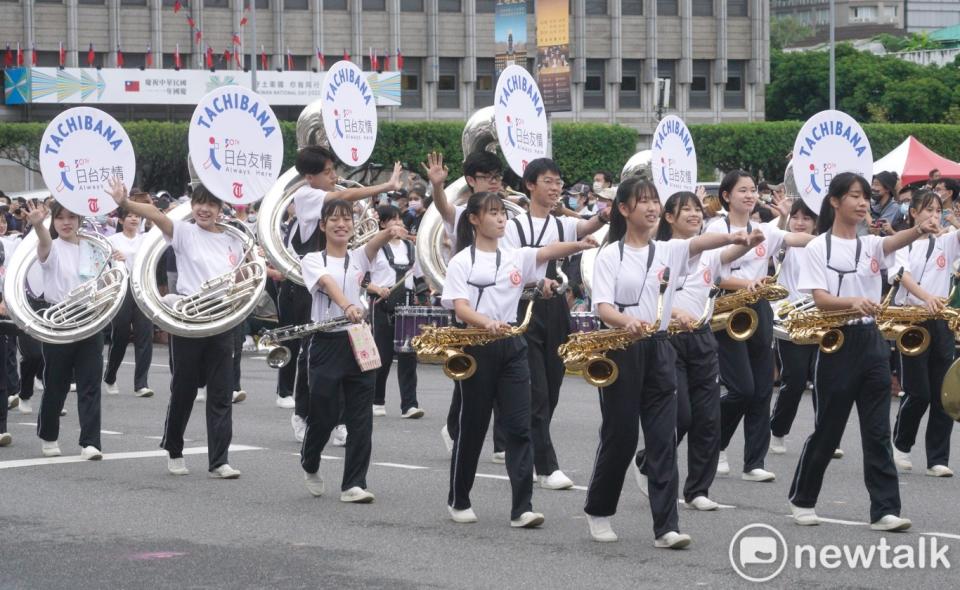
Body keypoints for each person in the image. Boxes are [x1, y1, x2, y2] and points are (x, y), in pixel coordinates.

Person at [584, 178, 760, 546]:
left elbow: (699, 243)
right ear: (623, 209)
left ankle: (666, 527)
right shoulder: (610, 255)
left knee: (664, 438)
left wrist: (733, 238)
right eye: (642, 202)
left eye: (654, 201)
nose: (650, 208)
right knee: (621, 435)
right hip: (621, 348)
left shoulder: (666, 250)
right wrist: (625, 320)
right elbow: (602, 307)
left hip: (661, 348)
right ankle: (599, 511)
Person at [787, 172, 939, 530]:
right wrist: (853, 302)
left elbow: (892, 245)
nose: (860, 202)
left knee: (876, 430)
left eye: (864, 196)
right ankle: (803, 499)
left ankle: (884, 509)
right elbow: (821, 300)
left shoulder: (870, 245)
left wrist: (920, 229)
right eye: (853, 196)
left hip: (871, 342)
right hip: (836, 342)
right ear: (835, 201)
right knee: (828, 428)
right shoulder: (816, 247)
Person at [442, 191, 596, 527]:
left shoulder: (515, 256)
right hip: (477, 344)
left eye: (502, 214)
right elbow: (461, 307)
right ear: (473, 219)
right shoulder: (461, 261)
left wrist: (579, 246)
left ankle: (522, 507)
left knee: (520, 426)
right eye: (493, 213)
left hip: (513, 345)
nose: (501, 219)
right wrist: (486, 322)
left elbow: (546, 251)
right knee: (473, 426)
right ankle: (459, 498)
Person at [633, 190, 764, 513]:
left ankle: (698, 490)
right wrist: (675, 313)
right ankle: (648, 460)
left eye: (697, 209)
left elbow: (727, 251)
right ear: (669, 218)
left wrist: (749, 238)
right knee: (682, 414)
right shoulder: (659, 252)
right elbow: (649, 294)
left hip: (703, 337)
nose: (694, 214)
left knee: (708, 416)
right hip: (668, 340)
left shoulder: (708, 252)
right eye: (685, 210)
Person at [107, 178, 245, 478]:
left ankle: (219, 460)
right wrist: (125, 203)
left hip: (221, 320)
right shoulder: (183, 232)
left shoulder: (235, 238)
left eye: (210, 204)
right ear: (191, 205)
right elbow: (156, 215)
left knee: (221, 392)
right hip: (188, 319)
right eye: (198, 203)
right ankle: (174, 447)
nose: (203, 209)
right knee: (184, 388)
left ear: (220, 208)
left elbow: (243, 275)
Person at [279, 146, 402, 442]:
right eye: (328, 172)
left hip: (342, 287)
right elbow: (343, 197)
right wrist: (387, 185)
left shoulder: (331, 204)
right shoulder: (306, 195)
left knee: (353, 354)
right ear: (310, 177)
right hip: (306, 286)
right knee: (312, 354)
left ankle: (342, 420)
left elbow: (353, 261)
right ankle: (303, 413)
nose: (335, 176)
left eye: (334, 169)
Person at [503, 158, 607, 490]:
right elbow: (507, 271)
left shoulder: (561, 222)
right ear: (530, 185)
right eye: (548, 181)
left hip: (555, 311)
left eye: (559, 182)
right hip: (523, 308)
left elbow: (587, 228)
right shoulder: (512, 226)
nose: (555, 187)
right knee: (536, 392)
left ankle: (532, 449)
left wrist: (606, 213)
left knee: (553, 384)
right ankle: (546, 466)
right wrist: (533, 284)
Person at [705, 170, 813, 483]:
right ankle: (718, 445)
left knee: (763, 389)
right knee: (740, 389)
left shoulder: (764, 229)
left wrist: (831, 241)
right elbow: (713, 274)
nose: (751, 195)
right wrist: (747, 282)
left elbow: (796, 238)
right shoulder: (716, 227)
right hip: (726, 308)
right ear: (726, 196)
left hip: (759, 307)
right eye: (743, 190)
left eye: (753, 190)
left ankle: (754, 462)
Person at [298, 198, 407, 502]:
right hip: (326, 341)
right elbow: (327, 283)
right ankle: (310, 458)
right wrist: (347, 304)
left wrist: (391, 231)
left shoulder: (358, 257)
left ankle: (354, 484)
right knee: (324, 412)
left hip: (360, 339)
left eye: (347, 219)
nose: (341, 224)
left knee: (361, 416)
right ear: (323, 225)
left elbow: (373, 245)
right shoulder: (312, 260)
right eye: (334, 219)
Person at [425, 150, 510, 461]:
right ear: (472, 181)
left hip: (501, 302)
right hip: (467, 303)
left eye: (498, 178)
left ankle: (501, 442)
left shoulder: (505, 214)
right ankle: (454, 427)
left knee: (505, 370)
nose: (495, 183)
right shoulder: (464, 214)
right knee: (471, 372)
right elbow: (443, 207)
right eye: (489, 178)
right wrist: (436, 185)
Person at [29, 199, 105, 460]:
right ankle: (49, 436)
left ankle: (90, 442)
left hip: (90, 317)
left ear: (79, 220)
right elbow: (44, 243)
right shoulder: (52, 247)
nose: (66, 222)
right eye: (60, 217)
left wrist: (115, 259)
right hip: (59, 318)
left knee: (90, 383)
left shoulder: (93, 248)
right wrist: (39, 225)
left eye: (71, 217)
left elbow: (106, 280)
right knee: (56, 383)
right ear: (55, 222)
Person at [891, 189, 959, 478]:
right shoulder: (900, 244)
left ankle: (937, 458)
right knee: (918, 391)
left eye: (937, 210)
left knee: (943, 393)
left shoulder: (945, 241)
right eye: (927, 210)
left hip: (941, 322)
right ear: (914, 212)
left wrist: (954, 220)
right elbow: (901, 275)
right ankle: (901, 445)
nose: (934, 215)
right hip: (912, 320)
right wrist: (926, 296)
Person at [769, 199, 833, 455]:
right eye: (795, 217)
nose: (799, 222)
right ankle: (778, 431)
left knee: (825, 381)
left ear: (816, 222)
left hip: (821, 319)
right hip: (789, 320)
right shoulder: (783, 244)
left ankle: (827, 435)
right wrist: (783, 218)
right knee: (794, 381)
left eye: (806, 218)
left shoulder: (825, 247)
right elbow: (774, 234)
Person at [366, 205, 424, 419]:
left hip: (407, 304)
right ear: (382, 224)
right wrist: (376, 289)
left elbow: (418, 278)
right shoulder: (374, 248)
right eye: (393, 219)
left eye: (400, 219)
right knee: (382, 355)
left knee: (409, 355)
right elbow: (360, 278)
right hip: (381, 304)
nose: (399, 223)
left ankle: (409, 405)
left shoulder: (411, 248)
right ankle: (376, 400)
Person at [103, 207, 154, 398]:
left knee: (144, 336)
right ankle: (110, 376)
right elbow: (102, 265)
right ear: (122, 220)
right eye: (130, 216)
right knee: (121, 336)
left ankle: (141, 384)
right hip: (122, 290)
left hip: (142, 290)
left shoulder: (146, 239)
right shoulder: (112, 241)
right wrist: (117, 262)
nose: (134, 219)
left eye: (137, 216)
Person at [869, 171, 899, 237]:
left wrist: (865, 212)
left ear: (887, 189)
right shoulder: (874, 204)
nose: (872, 187)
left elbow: (878, 229)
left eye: (876, 185)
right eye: (872, 184)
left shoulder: (894, 207)